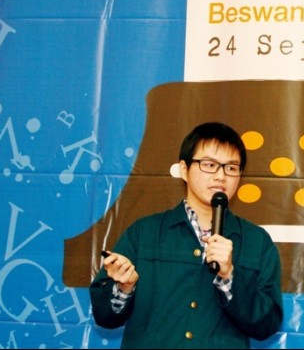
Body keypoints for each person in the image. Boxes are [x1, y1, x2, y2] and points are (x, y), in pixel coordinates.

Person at [90, 122, 283, 348]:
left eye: (231, 168)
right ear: (184, 169)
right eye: (209, 165)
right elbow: (104, 316)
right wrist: (124, 288)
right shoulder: (144, 233)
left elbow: (267, 324)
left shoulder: (257, 242)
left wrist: (229, 277)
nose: (221, 176)